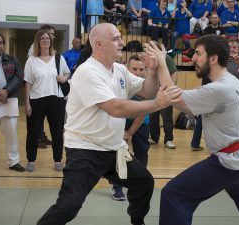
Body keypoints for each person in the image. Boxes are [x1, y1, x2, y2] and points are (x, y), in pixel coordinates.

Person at [36, 23, 181, 225]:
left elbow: (147, 91)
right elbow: (116, 108)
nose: (122, 42)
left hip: (113, 149)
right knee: (69, 205)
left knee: (144, 183)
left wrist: (154, 69)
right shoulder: (87, 72)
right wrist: (157, 104)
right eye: (115, 39)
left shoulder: (119, 70)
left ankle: (137, 221)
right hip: (85, 150)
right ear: (98, 44)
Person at [159, 34, 239, 225]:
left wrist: (163, 62)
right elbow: (184, 103)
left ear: (213, 58)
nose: (193, 58)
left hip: (231, 162)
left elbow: (174, 98)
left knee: (174, 195)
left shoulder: (219, 89)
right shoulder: (232, 79)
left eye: (198, 53)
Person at [24, 30, 71, 172]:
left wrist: (64, 78)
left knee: (57, 132)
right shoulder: (31, 60)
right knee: (33, 132)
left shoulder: (58, 58)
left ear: (51, 41)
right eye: (42, 38)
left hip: (56, 100)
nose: (45, 40)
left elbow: (67, 73)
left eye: (47, 38)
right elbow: (27, 83)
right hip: (36, 100)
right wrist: (26, 103)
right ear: (38, 42)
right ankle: (31, 160)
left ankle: (57, 160)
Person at [111, 55, 151, 201]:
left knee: (141, 155)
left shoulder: (146, 86)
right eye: (134, 69)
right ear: (127, 69)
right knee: (120, 154)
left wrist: (130, 133)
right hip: (120, 120)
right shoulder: (120, 83)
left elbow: (142, 113)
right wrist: (122, 131)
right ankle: (117, 186)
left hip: (140, 122)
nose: (138, 72)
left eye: (141, 69)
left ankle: (140, 184)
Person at [0, 32, 25, 172]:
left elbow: (19, 77)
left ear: (4, 45)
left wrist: (6, 90)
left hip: (8, 102)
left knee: (11, 134)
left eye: (0, 43)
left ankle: (13, 162)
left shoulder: (12, 60)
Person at [28, 24, 55, 149]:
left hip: (51, 95)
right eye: (50, 34)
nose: (51, 37)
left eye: (51, 35)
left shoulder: (55, 55)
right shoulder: (33, 53)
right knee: (37, 122)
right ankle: (38, 139)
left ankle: (42, 136)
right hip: (37, 93)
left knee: (48, 121)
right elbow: (31, 76)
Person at [149, 54, 178, 149]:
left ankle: (168, 139)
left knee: (167, 118)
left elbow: (174, 72)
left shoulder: (166, 58)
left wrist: (171, 88)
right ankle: (154, 137)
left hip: (165, 92)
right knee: (153, 117)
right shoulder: (149, 58)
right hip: (153, 93)